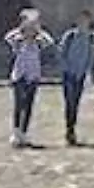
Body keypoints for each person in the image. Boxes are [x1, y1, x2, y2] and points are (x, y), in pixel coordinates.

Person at [3, 8, 55, 148]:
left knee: (28, 105)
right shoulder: (17, 40)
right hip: (19, 75)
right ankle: (16, 132)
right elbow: (8, 37)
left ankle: (24, 132)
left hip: (33, 76)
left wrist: (38, 31)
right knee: (19, 104)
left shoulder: (39, 41)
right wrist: (22, 30)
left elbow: (49, 41)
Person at [56, 9, 94, 146]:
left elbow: (91, 57)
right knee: (69, 102)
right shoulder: (70, 36)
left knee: (75, 103)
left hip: (80, 75)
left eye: (86, 20)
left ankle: (71, 129)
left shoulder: (92, 38)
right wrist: (66, 69)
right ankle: (69, 130)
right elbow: (61, 53)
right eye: (81, 20)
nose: (83, 23)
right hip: (69, 74)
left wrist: (87, 73)